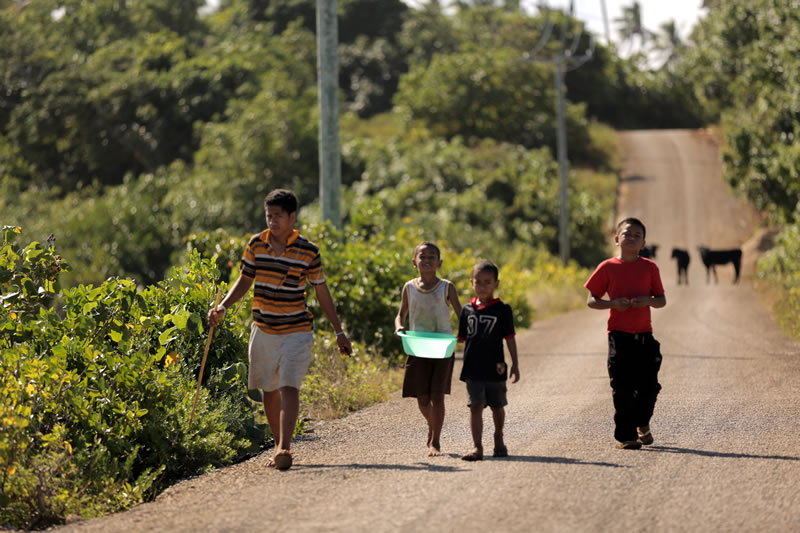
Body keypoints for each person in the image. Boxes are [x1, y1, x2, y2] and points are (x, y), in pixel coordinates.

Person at [208, 189, 352, 470]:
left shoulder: (308, 251)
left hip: (297, 330)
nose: (272, 221)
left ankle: (285, 446)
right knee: (269, 389)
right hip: (264, 329)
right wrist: (223, 307)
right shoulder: (256, 245)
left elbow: (321, 291)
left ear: (292, 217)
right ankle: (278, 446)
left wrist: (339, 331)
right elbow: (244, 280)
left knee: (289, 385)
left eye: (278, 216)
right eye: (269, 216)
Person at [584, 217, 666, 450]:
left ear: (643, 243)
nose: (631, 238)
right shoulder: (607, 267)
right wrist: (612, 304)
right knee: (622, 387)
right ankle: (627, 436)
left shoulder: (650, 268)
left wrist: (647, 301)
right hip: (618, 336)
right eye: (627, 234)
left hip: (644, 336)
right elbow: (591, 300)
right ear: (616, 238)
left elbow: (661, 300)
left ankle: (642, 423)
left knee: (648, 387)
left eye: (637, 235)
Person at [394, 241, 462, 457]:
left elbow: (462, 315)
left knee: (437, 396)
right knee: (422, 399)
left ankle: (436, 442)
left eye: (432, 257)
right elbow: (400, 315)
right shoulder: (409, 287)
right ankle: (432, 425)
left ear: (439, 263)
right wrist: (399, 327)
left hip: (442, 348)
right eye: (422, 256)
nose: (427, 260)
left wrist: (465, 333)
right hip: (418, 347)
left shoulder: (447, 287)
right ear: (414, 262)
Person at [457, 261, 520, 461]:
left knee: (497, 406)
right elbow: (460, 340)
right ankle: (477, 447)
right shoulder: (467, 310)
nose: (482, 286)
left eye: (487, 282)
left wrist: (515, 364)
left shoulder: (503, 309)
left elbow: (510, 338)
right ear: (471, 283)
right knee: (475, 405)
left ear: (496, 284)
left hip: (496, 367)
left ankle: (498, 436)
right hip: (472, 368)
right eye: (478, 282)